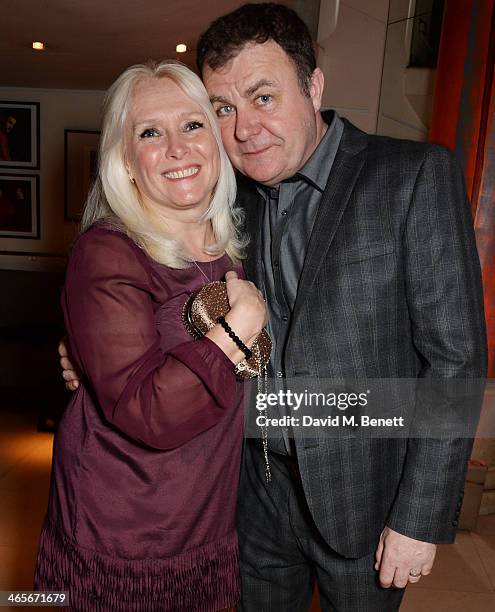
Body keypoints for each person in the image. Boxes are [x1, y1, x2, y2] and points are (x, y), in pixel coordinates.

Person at [61, 3, 487, 610]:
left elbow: (454, 362)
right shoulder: (229, 203)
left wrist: (419, 516)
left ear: (313, 85)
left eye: (263, 97)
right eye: (224, 109)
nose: (244, 130)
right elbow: (152, 290)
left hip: (360, 502)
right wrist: (89, 345)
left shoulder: (412, 176)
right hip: (249, 494)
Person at [37, 59, 267, 611]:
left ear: (217, 140)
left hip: (209, 516)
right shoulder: (109, 250)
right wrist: (236, 332)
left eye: (192, 125)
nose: (176, 147)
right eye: (149, 132)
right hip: (125, 529)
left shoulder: (242, 234)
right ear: (126, 161)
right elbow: (146, 411)